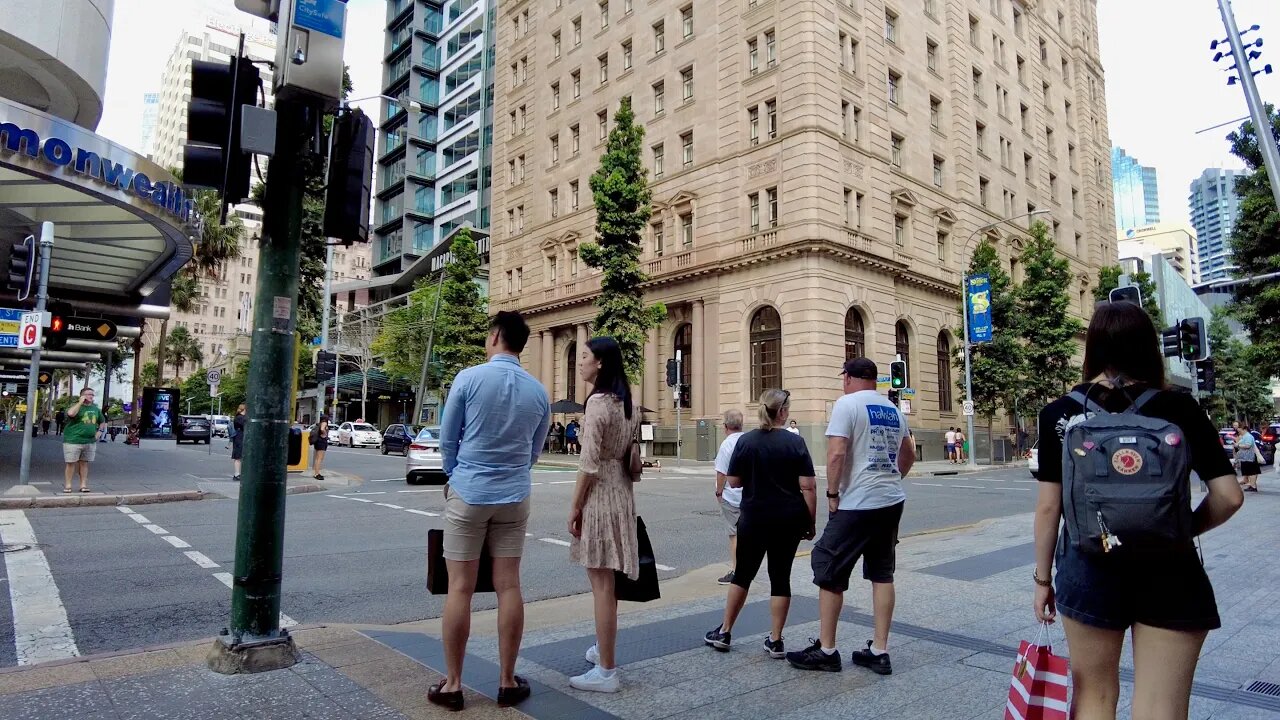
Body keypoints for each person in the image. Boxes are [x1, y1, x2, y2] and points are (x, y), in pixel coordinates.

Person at [1032, 301, 1243, 720]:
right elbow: (1229, 496)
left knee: (1093, 698)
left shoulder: (1059, 414)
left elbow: (1048, 508)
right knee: (1160, 708)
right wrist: (1179, 528)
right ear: (1149, 347)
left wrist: (1043, 580)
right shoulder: (1180, 408)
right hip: (1171, 569)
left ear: (1091, 347)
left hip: (1088, 566)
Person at [430, 312, 550, 712]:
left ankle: (453, 684)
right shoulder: (538, 392)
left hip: (469, 492)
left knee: (460, 587)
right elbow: (535, 450)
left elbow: (449, 437)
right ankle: (506, 680)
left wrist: (454, 474)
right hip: (515, 496)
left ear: (496, 336)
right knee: (509, 585)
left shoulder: (468, 379)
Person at [788, 358, 914, 675]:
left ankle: (827, 649)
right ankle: (879, 650)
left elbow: (836, 452)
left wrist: (832, 494)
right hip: (890, 499)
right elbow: (909, 452)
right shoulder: (893, 409)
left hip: (858, 501)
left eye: (843, 376)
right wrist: (893, 479)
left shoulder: (847, 405)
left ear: (849, 378)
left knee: (828, 565)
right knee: (882, 572)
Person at [705, 390, 817, 657]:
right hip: (788, 519)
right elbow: (808, 486)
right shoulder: (795, 443)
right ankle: (776, 640)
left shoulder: (747, 441)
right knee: (781, 577)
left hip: (754, 517)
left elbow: (733, 481)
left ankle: (725, 631)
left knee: (743, 574)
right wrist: (810, 521)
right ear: (782, 413)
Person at [566, 337, 642, 693]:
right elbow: (634, 463)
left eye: (585, 357)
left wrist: (575, 505)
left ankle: (607, 670)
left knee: (601, 585)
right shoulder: (628, 403)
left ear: (599, 364)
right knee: (608, 584)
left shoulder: (597, 404)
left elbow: (588, 463)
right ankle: (603, 649)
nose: (580, 362)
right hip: (622, 493)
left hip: (599, 496)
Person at [713, 409, 746, 585]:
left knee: (734, 535)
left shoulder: (727, 444)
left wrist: (719, 492)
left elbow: (721, 473)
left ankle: (737, 571)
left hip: (732, 496)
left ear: (726, 426)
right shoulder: (748, 440)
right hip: (748, 495)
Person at [62, 388, 105, 493]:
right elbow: (71, 413)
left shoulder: (95, 409)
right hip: (73, 440)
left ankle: (83, 485)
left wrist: (99, 432)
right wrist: (80, 402)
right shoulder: (76, 407)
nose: (91, 396)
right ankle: (68, 485)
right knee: (70, 463)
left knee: (84, 463)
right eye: (88, 394)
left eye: (92, 395)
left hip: (89, 441)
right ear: (82, 395)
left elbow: (102, 421)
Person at [231, 404, 247, 481]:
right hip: (240, 437)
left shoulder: (238, 417)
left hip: (239, 437)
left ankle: (237, 474)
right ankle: (237, 474)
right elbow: (245, 427)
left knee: (238, 456)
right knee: (238, 456)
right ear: (244, 409)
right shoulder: (241, 418)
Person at [311, 415, 330, 481]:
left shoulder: (319, 423)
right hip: (322, 441)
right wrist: (325, 434)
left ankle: (316, 473)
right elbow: (322, 429)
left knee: (317, 458)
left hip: (318, 441)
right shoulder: (324, 423)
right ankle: (317, 473)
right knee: (319, 458)